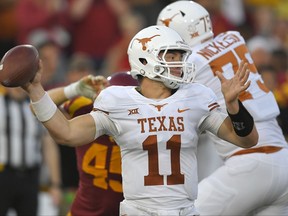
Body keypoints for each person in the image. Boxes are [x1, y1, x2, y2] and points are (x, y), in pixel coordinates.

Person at [21, 25, 258, 216]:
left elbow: (246, 139)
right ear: (144, 60)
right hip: (139, 211)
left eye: (180, 56)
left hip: (185, 210)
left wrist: (234, 107)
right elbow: (67, 133)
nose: (178, 63)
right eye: (171, 55)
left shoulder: (196, 96)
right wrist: (35, 91)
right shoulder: (117, 99)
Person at [157, 1, 288, 215]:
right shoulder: (234, 38)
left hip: (250, 164)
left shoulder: (191, 64)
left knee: (181, 212)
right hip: (283, 159)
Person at [48, 71, 138, 215]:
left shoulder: (145, 120)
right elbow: (40, 105)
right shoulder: (85, 105)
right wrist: (74, 89)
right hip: (89, 207)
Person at [0, 86, 62, 215]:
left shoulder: (36, 108)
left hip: (31, 176)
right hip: (3, 174)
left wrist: (55, 184)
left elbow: (48, 145)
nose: (17, 87)